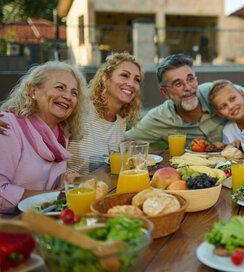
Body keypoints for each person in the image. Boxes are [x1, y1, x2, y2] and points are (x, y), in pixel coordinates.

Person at [0, 61, 88, 213]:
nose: (68, 96)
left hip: (46, 222)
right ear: (33, 91)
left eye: (74, 93)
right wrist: (57, 195)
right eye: (60, 87)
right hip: (12, 227)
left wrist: (63, 186)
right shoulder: (7, 126)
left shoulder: (62, 134)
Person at [125, 53, 244, 145]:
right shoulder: (159, 118)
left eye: (190, 79)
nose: (188, 87)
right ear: (165, 93)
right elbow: (123, 141)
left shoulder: (219, 92)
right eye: (178, 84)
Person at [67, 52, 143, 176]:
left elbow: (105, 167)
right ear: (106, 79)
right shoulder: (80, 111)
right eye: (124, 75)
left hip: (101, 188)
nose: (131, 84)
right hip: (70, 191)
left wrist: (124, 154)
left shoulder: (120, 122)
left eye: (137, 80)